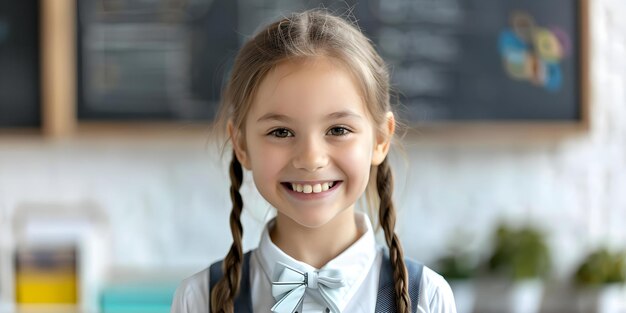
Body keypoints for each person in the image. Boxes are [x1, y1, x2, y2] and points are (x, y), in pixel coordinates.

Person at [171, 9, 456, 313]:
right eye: (281, 132)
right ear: (241, 144)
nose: (310, 159)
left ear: (381, 139)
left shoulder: (426, 297)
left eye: (338, 130)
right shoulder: (200, 298)